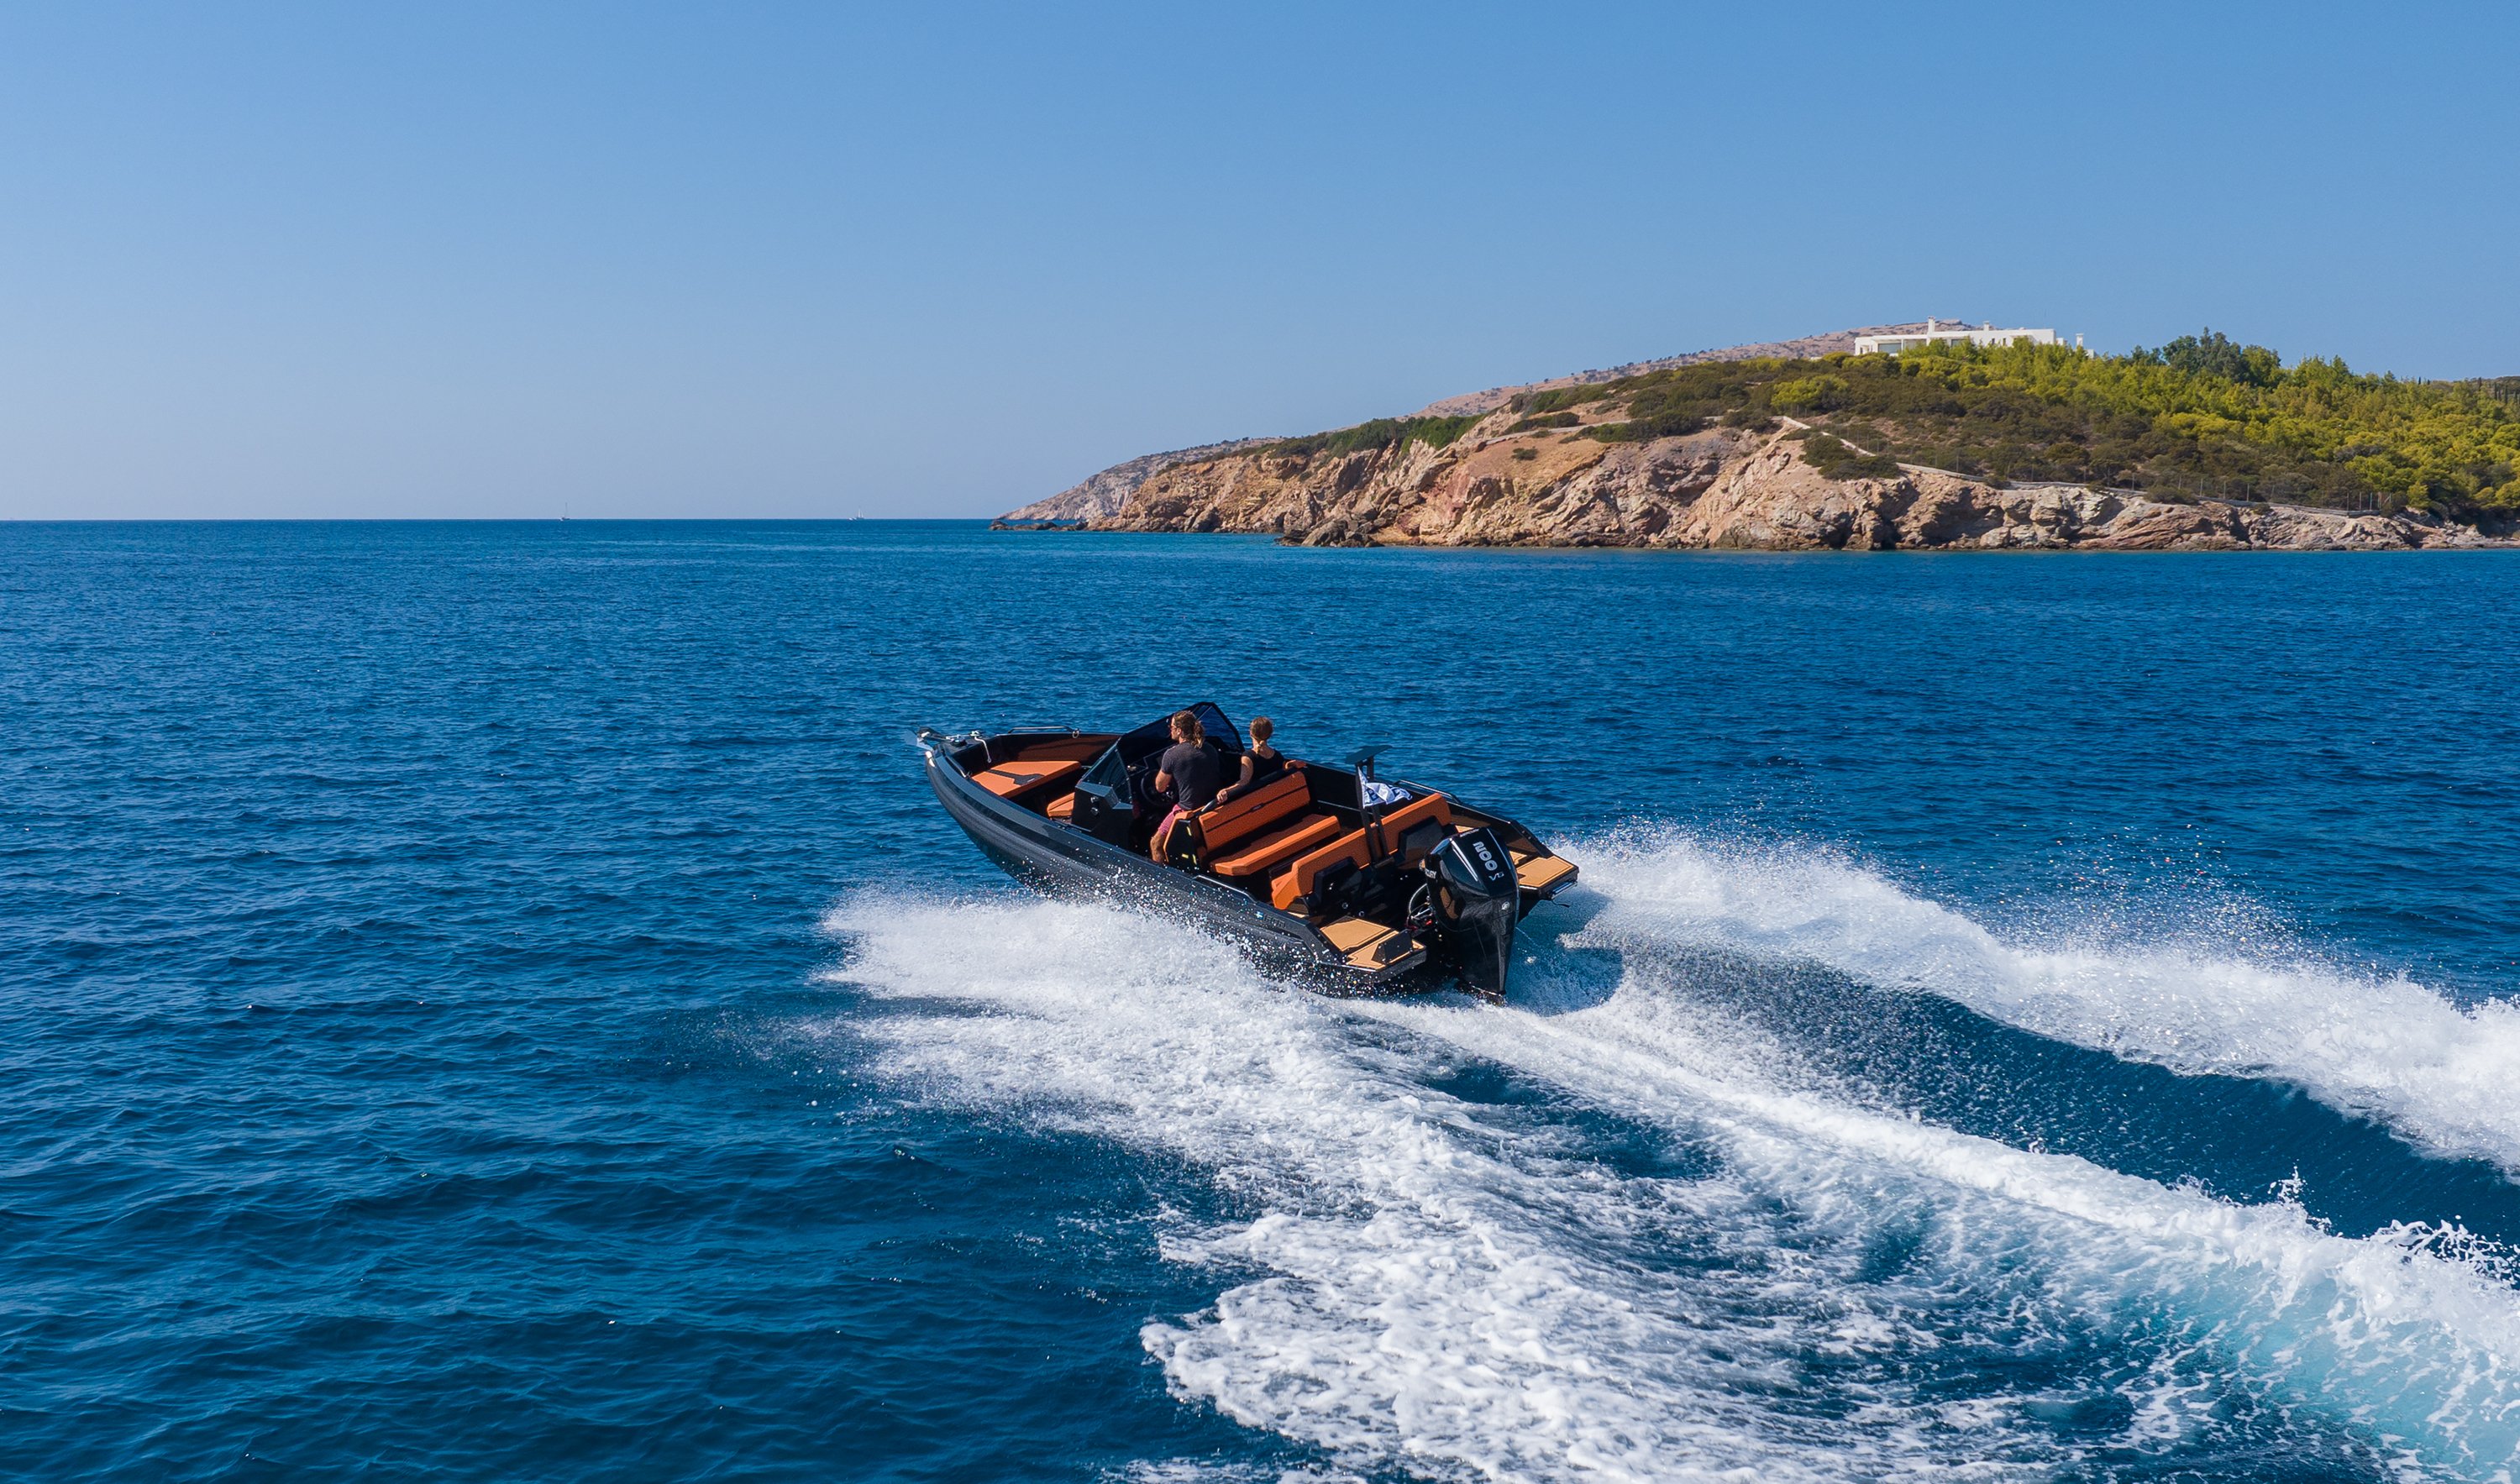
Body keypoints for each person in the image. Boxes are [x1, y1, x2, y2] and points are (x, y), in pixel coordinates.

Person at [1148, 711, 1221, 861]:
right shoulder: (1210, 749)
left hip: (1187, 810)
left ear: (1179, 731)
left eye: (1172, 727)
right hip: (1210, 807)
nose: (1170, 729)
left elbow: (1159, 787)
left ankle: (1162, 880)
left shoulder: (1172, 755)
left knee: (1156, 844)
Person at [1215, 715, 1285, 804]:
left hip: (1258, 802)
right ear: (1270, 734)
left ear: (1251, 733)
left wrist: (1226, 791)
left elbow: (1244, 782)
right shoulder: (1278, 756)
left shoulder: (1249, 757)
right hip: (1276, 798)